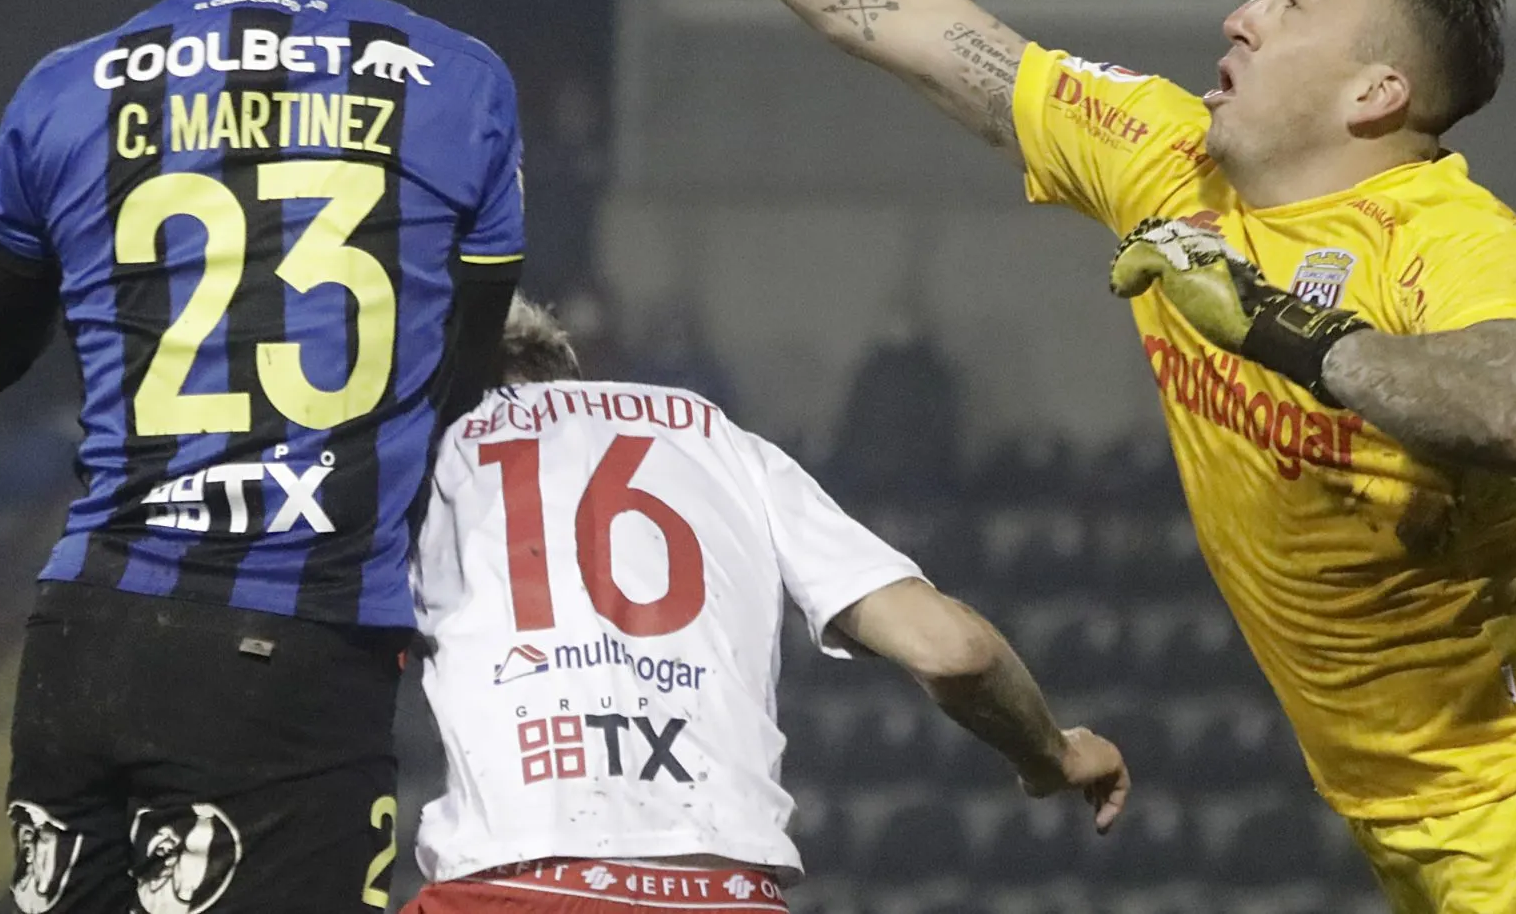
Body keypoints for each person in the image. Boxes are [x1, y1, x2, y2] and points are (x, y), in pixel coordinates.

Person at [539, 0, 1516, 911]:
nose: (1241, 14)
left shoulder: (1452, 240)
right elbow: (908, 19)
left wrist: (1271, 324)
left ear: (1378, 90)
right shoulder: (1167, 160)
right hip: (1406, 812)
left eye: (1296, 0)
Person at [0, 0, 528, 914]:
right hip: (295, 652)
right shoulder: (463, 87)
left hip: (87, 635)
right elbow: (461, 373)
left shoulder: (65, 90)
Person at [403, 296, 1127, 912]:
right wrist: (1049, 755)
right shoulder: (717, 439)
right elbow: (953, 651)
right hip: (721, 890)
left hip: (507, 883)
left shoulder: (425, 454)